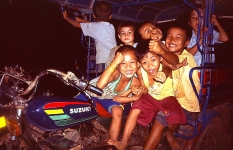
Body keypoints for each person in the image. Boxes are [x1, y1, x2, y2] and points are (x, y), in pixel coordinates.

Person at [108, 40, 187, 150]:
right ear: (140, 63)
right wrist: (138, 89)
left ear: (160, 58)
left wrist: (163, 74)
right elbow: (145, 89)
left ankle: (169, 134)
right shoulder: (140, 71)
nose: (149, 66)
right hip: (152, 98)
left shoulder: (164, 68)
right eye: (144, 62)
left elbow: (168, 69)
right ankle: (124, 142)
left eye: (153, 60)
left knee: (173, 119)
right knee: (136, 106)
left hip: (167, 98)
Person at [147, 23, 201, 150]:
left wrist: (160, 49)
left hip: (186, 102)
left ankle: (168, 133)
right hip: (171, 96)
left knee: (160, 121)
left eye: (178, 38)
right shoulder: (168, 53)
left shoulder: (186, 58)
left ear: (186, 42)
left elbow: (174, 60)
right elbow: (165, 57)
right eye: (169, 37)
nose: (172, 40)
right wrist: (157, 38)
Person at [86, 45, 143, 142]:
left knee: (118, 111)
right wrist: (114, 63)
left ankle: (112, 142)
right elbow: (100, 85)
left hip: (108, 98)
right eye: (123, 63)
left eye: (132, 62)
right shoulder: (116, 72)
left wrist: (132, 94)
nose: (128, 67)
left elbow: (117, 98)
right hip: (92, 92)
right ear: (117, 65)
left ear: (138, 64)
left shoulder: (135, 82)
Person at [62, 1, 116, 72]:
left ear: (93, 16)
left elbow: (77, 25)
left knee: (105, 78)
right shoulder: (111, 26)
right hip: (115, 56)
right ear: (110, 16)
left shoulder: (96, 27)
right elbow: (96, 26)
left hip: (105, 60)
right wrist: (82, 20)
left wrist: (66, 18)